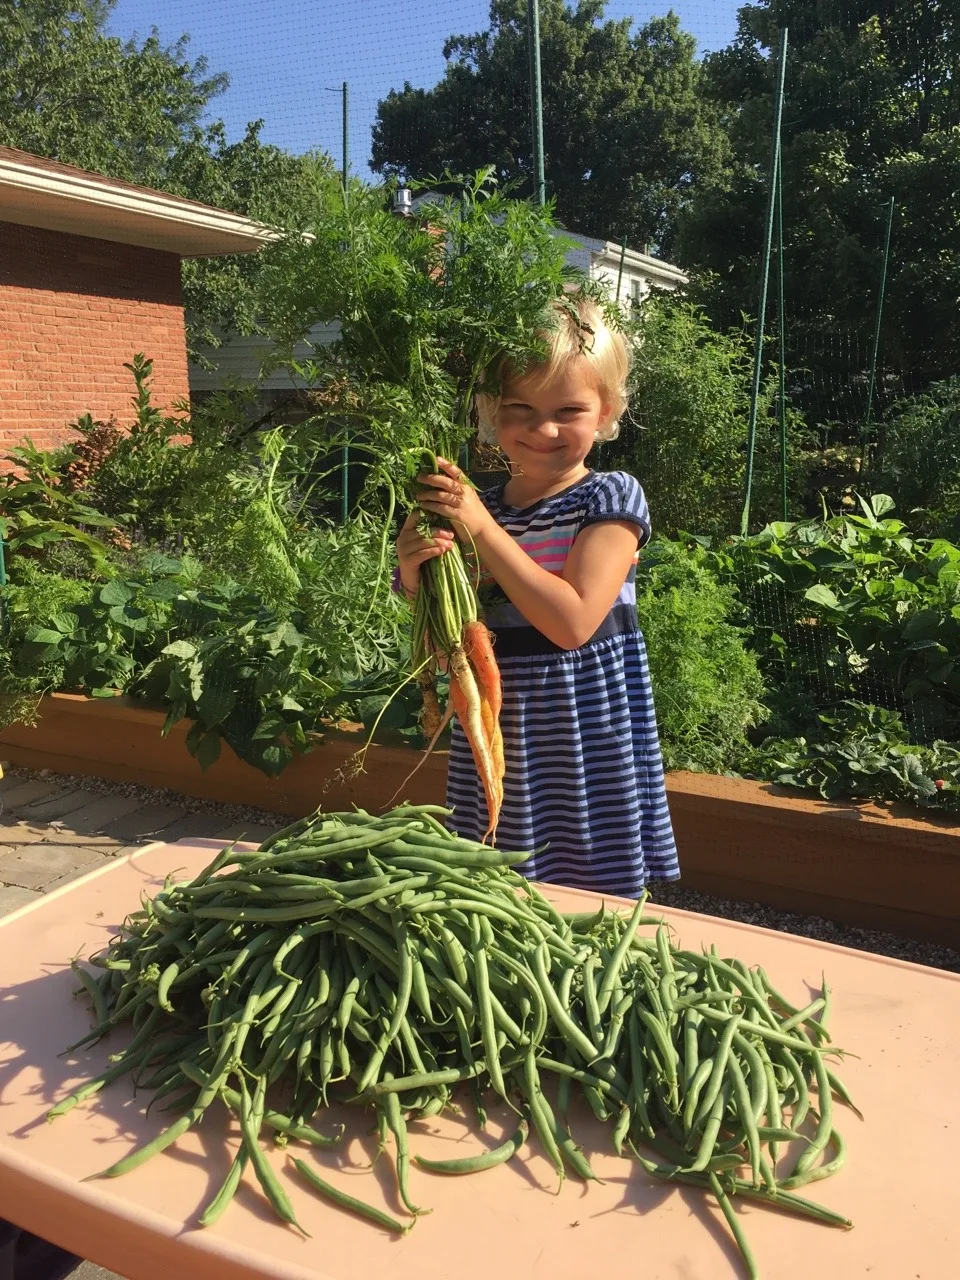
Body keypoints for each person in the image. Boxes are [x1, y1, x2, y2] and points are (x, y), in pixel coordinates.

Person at [395, 297, 679, 898]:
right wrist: (414, 569)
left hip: (583, 730)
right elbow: (447, 625)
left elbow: (572, 622)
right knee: (501, 881)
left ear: (606, 411)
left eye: (568, 411)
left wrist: (482, 529)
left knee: (591, 887)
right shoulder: (479, 506)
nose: (544, 430)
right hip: (498, 727)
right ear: (490, 411)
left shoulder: (609, 497)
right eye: (519, 409)